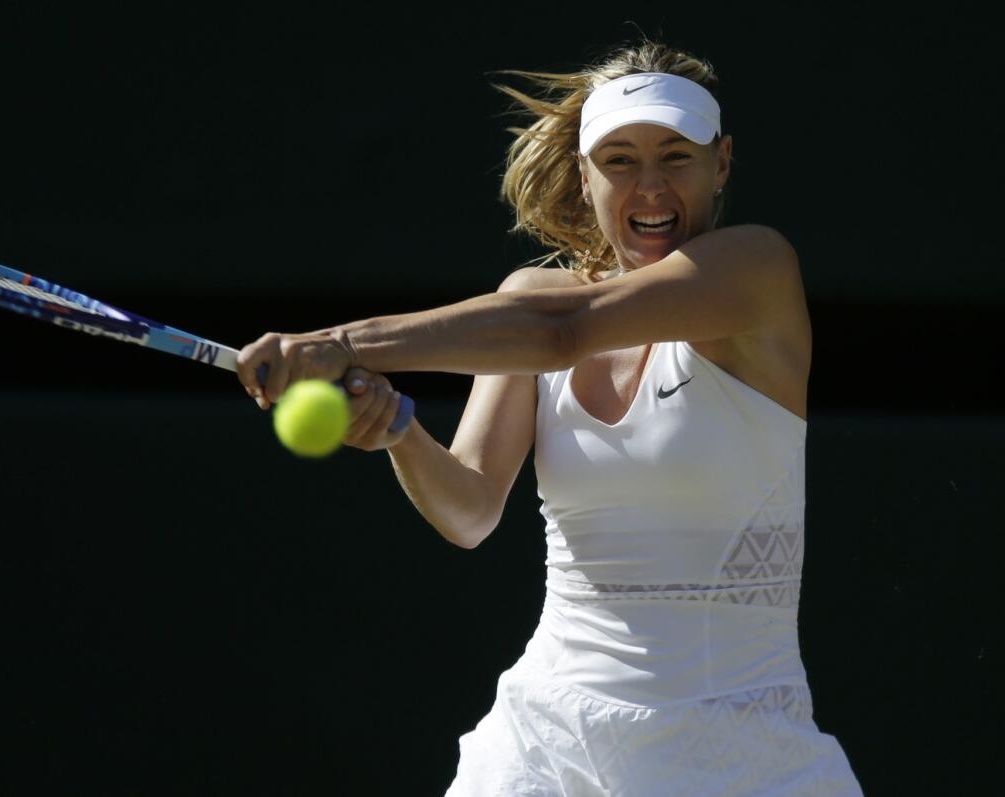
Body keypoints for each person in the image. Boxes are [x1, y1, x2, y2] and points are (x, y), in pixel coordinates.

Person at [237, 38, 864, 797]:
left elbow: (561, 331)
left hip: (741, 756)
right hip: (542, 749)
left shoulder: (757, 270)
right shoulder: (530, 293)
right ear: (585, 173)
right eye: (621, 159)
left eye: (677, 156)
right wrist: (399, 429)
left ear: (722, 162)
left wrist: (341, 343)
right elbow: (469, 507)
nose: (652, 186)